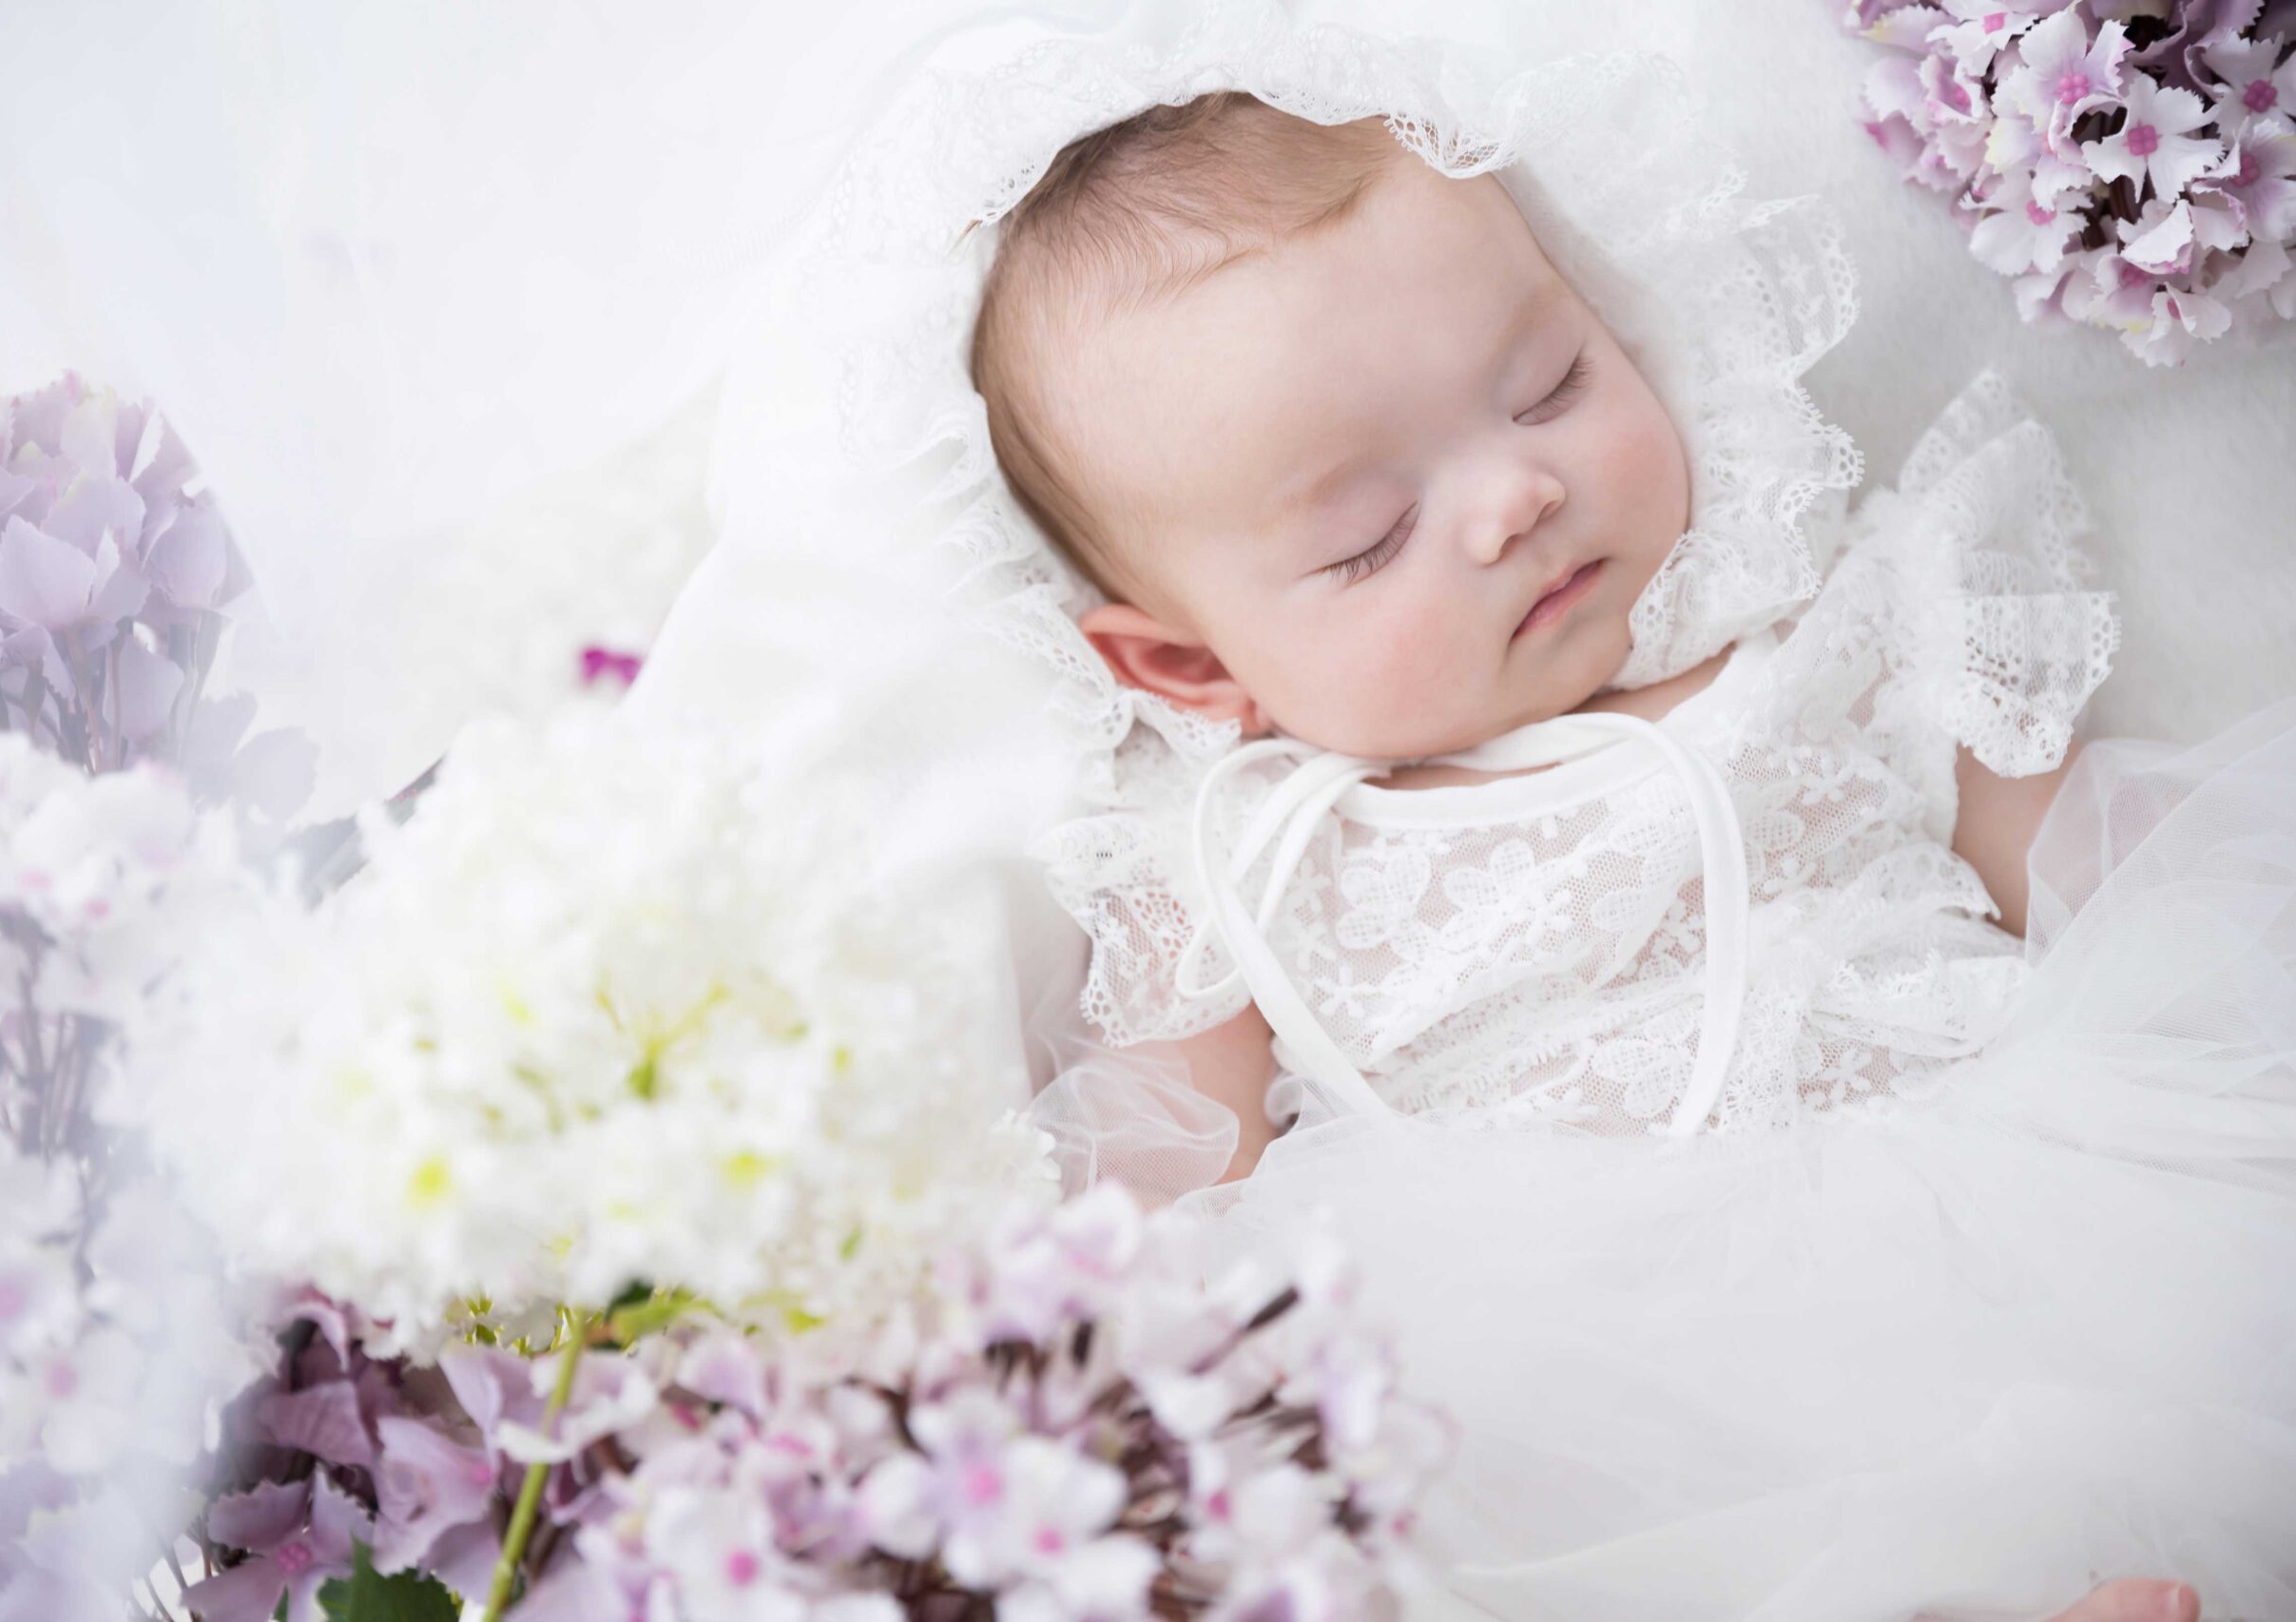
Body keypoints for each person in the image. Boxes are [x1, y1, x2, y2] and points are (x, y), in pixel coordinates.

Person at [955, 59, 2296, 1622]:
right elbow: (1146, 1226)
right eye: (1369, 539)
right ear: (1192, 666)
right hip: (1547, 1373)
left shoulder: (1845, 626)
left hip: (1984, 1221)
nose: (1515, 496)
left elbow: (2120, 887)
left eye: (1549, 387)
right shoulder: (1223, 862)